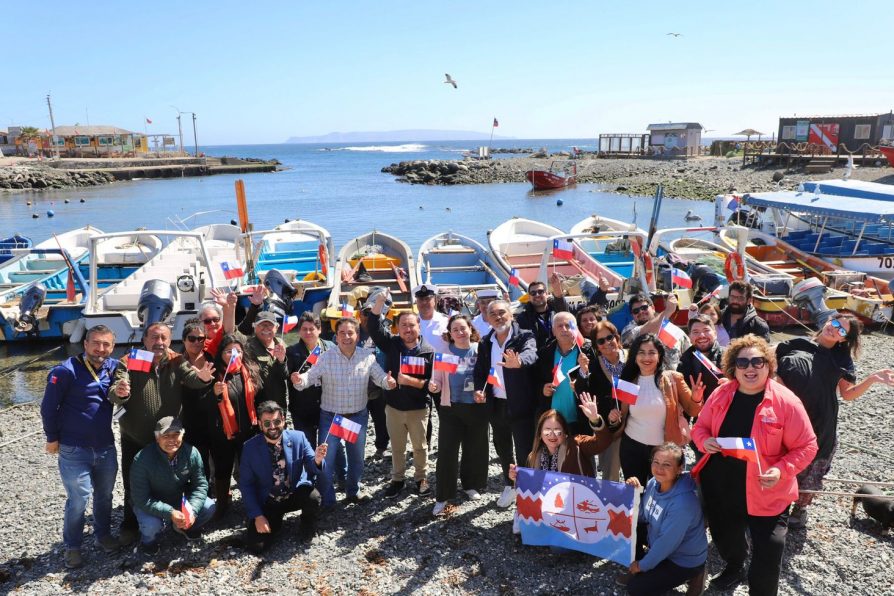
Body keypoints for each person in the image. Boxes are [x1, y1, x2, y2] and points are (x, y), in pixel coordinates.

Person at [692, 335, 818, 594]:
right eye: (742, 362)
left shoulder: (786, 402)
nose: (750, 368)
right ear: (733, 367)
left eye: (757, 361)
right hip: (722, 484)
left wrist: (781, 470)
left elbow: (807, 446)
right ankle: (735, 565)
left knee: (770, 550)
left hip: (766, 489)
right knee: (725, 536)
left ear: (768, 365)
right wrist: (704, 441)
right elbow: (700, 428)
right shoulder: (720, 394)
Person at [776, 314, 894, 528]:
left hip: (821, 423)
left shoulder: (841, 359)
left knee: (810, 471)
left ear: (843, 339)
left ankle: (799, 510)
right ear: (828, 321)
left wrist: (872, 378)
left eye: (842, 331)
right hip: (785, 418)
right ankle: (775, 506)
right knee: (780, 462)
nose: (835, 329)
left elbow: (847, 394)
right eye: (836, 323)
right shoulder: (793, 344)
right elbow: (772, 373)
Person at [110, 322, 213, 544]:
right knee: (131, 482)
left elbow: (192, 379)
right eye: (154, 338)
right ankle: (130, 523)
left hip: (169, 438)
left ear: (169, 340)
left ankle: (179, 517)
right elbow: (118, 389)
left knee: (176, 478)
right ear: (144, 340)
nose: (159, 343)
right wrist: (120, 391)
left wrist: (204, 377)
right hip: (136, 436)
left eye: (164, 338)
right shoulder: (131, 359)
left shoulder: (175, 359)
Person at [40, 325, 121, 569]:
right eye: (95, 343)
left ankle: (102, 535)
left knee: (105, 496)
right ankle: (73, 546)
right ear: (85, 344)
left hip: (105, 446)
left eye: (106, 344)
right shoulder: (65, 371)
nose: (100, 348)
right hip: (74, 448)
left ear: (112, 347)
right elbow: (47, 408)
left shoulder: (114, 367)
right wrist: (52, 438)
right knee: (78, 499)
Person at [293, 317, 396, 508]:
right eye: (342, 333)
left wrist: (388, 383)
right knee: (325, 460)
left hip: (357, 416)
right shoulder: (326, 357)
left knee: (356, 459)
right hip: (331, 418)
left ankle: (352, 492)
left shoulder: (367, 357)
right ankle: (328, 499)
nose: (346, 337)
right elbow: (309, 378)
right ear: (336, 336)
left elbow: (381, 378)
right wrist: (299, 380)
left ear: (357, 336)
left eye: (351, 333)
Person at [367, 292, 438, 498]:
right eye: (404, 326)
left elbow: (432, 386)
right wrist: (379, 303)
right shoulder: (392, 344)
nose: (408, 329)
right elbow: (373, 327)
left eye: (412, 325)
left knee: (420, 447)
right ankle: (397, 479)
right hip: (394, 408)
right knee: (397, 447)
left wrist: (410, 382)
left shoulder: (428, 352)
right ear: (398, 328)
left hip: (418, 409)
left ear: (419, 326)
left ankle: (420, 478)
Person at [609, 334, 703, 486]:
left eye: (652, 352)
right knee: (635, 495)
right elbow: (620, 416)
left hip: (663, 452)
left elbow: (693, 411)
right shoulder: (627, 382)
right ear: (634, 356)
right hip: (631, 448)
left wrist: (697, 397)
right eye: (641, 352)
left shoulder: (673, 378)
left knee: (662, 494)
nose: (647, 357)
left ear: (659, 356)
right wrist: (613, 418)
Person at [473, 299, 538, 508]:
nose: (498, 317)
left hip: (520, 404)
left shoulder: (523, 336)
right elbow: (480, 372)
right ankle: (510, 485)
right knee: (503, 449)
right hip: (496, 404)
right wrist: (478, 390)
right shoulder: (485, 342)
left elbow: (531, 353)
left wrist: (519, 362)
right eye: (494, 314)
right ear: (488, 319)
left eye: (502, 313)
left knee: (524, 451)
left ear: (511, 315)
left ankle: (527, 495)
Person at [239, 401, 327, 552]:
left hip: (293, 494)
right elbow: (246, 485)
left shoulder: (298, 437)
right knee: (257, 548)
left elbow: (313, 466)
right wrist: (258, 516)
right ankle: (275, 522)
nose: (272, 426)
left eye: (277, 421)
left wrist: (318, 460)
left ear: (284, 420)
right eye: (267, 423)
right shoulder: (249, 448)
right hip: (269, 501)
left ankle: (307, 526)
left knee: (313, 497)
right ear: (260, 424)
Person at [621, 443, 708, 596]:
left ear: (680, 468)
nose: (659, 469)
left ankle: (697, 573)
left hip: (683, 559)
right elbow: (642, 515)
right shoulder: (654, 483)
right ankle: (648, 569)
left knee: (636, 589)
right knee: (625, 524)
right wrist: (634, 493)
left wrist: (642, 566)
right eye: (656, 462)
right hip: (662, 543)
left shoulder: (683, 504)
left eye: (667, 464)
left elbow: (666, 544)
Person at [429, 314, 488, 516]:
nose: (460, 332)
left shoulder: (481, 350)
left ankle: (470, 484)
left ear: (471, 329)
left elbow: (490, 377)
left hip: (476, 407)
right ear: (450, 334)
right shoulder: (444, 352)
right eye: (456, 330)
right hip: (450, 407)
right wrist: (434, 386)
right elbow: (436, 379)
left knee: (475, 448)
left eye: (463, 328)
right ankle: (443, 495)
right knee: (447, 452)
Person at [130, 417, 216, 554]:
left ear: (182, 435)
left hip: (178, 498)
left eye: (176, 434)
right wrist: (170, 512)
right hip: (152, 502)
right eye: (165, 435)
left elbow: (200, 486)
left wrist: (192, 511)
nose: (171, 440)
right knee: (151, 525)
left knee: (208, 507)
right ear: (157, 438)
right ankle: (148, 541)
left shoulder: (192, 453)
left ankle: (183, 527)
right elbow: (140, 498)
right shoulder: (142, 459)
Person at [208, 334, 262, 517]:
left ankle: (251, 503)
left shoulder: (251, 370)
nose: (233, 354)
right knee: (222, 469)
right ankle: (223, 504)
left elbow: (260, 399)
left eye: (237, 351)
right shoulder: (214, 374)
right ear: (221, 353)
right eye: (228, 351)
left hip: (248, 431)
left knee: (249, 469)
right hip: (222, 433)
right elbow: (203, 405)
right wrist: (214, 394)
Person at [507, 398, 612, 481]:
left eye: (557, 431)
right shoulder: (534, 456)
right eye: (547, 431)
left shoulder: (577, 445)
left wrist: (595, 419)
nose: (552, 435)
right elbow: (532, 488)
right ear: (539, 434)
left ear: (565, 432)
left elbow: (603, 442)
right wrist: (517, 477)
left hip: (576, 503)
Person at [537, 312, 593, 435]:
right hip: (552, 420)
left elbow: (596, 385)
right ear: (553, 331)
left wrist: (583, 375)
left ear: (576, 329)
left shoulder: (588, 352)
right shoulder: (545, 353)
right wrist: (543, 389)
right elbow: (536, 380)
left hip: (580, 419)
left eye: (568, 325)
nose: (564, 329)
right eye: (559, 326)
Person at [586, 320, 627, 481]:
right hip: (611, 429)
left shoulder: (633, 359)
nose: (607, 343)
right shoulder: (594, 367)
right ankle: (612, 505)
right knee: (610, 475)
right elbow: (592, 396)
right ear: (596, 346)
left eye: (609, 337)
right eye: (601, 341)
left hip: (637, 424)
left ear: (616, 337)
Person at [285, 312, 334, 445]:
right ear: (299, 332)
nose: (308, 332)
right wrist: (291, 375)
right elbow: (284, 374)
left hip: (327, 408)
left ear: (319, 330)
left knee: (328, 448)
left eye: (311, 329)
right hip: (302, 410)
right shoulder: (291, 352)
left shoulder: (331, 348)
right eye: (304, 329)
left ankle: (327, 467)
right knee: (306, 448)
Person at [178, 319, 216, 481]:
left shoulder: (212, 358)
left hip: (213, 418)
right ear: (184, 341)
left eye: (201, 339)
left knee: (216, 459)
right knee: (193, 461)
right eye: (192, 339)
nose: (197, 342)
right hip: (188, 419)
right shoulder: (177, 362)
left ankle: (217, 497)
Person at [621, 293, 690, 370]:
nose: (641, 312)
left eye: (644, 307)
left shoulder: (674, 330)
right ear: (632, 315)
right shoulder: (627, 331)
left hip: (673, 379)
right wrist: (667, 311)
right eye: (636, 311)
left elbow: (689, 353)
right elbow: (644, 332)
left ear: (653, 308)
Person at [241, 311, 289, 411]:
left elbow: (286, 374)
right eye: (261, 324)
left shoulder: (281, 344)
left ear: (276, 327)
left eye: (270, 325)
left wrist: (281, 361)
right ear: (254, 327)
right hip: (259, 404)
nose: (266, 328)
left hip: (280, 403)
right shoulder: (247, 347)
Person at [678, 314, 725, 405]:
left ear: (715, 333)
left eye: (706, 330)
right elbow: (682, 401)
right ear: (690, 337)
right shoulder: (683, 362)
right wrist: (695, 400)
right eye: (695, 332)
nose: (702, 335)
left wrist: (732, 384)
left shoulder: (730, 357)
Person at [515, 275, 568, 348]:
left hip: (559, 354)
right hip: (537, 357)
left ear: (546, 294)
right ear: (529, 297)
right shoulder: (523, 318)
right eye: (533, 293)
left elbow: (563, 308)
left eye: (540, 292)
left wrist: (557, 289)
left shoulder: (556, 311)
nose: (537, 295)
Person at [414, 283, 450, 353]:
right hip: (419, 363)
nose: (424, 302)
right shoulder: (410, 323)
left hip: (441, 363)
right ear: (416, 302)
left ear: (435, 301)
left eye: (427, 299)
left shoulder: (447, 321)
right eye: (421, 299)